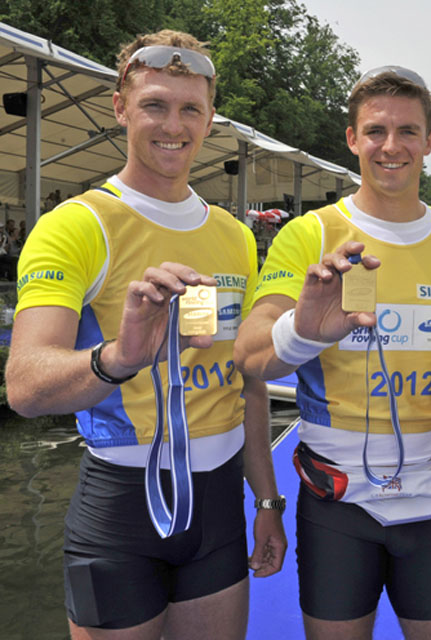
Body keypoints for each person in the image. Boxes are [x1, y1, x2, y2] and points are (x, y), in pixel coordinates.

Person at [5, 30, 286, 639]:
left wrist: (266, 500)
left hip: (219, 510)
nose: (173, 125)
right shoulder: (75, 226)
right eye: (155, 104)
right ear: (121, 107)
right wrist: (120, 356)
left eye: (190, 109)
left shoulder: (235, 235)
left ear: (210, 119)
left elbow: (249, 383)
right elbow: (25, 387)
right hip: (120, 512)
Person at [233, 66, 431, 640]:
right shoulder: (309, 235)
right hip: (336, 511)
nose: (392, 147)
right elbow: (250, 355)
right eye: (376, 131)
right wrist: (303, 331)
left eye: (408, 131)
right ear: (352, 139)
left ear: (429, 141)